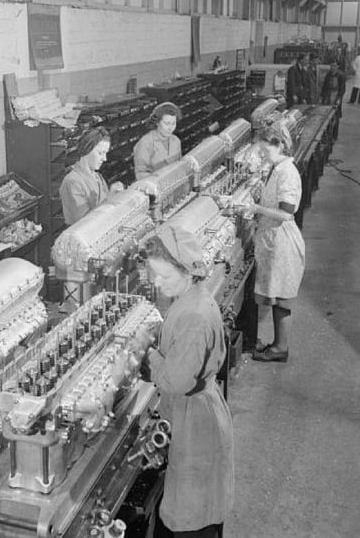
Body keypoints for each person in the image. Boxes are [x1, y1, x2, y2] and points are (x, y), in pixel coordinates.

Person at [142, 226, 233, 538]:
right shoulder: (189, 298)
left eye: (163, 276)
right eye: (153, 275)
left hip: (196, 420)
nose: (156, 282)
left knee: (193, 516)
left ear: (186, 271)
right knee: (187, 506)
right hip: (192, 412)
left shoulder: (193, 314)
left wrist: (147, 353)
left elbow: (177, 380)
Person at [236, 126, 305, 362]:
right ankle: (277, 345)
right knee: (276, 297)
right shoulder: (278, 168)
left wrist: (255, 208)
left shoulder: (287, 172)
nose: (263, 156)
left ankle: (280, 349)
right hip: (273, 239)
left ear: (280, 146)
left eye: (266, 151)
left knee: (281, 299)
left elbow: (286, 212)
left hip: (282, 241)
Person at [59, 126, 121, 225]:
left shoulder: (98, 177)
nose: (104, 159)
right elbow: (82, 224)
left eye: (105, 153)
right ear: (87, 150)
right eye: (100, 153)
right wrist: (109, 198)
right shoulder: (72, 182)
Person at [133, 102, 182, 180]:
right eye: (167, 123)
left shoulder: (176, 141)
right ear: (157, 122)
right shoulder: (145, 143)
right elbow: (140, 174)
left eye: (173, 123)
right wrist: (158, 178)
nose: (170, 128)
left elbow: (178, 166)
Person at [321, 59, 346, 139]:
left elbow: (342, 88)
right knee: (326, 116)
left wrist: (339, 98)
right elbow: (324, 86)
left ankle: (334, 135)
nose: (332, 67)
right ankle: (327, 134)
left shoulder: (341, 75)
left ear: (337, 66)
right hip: (327, 97)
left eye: (334, 65)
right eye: (331, 66)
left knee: (336, 116)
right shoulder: (328, 74)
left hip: (336, 97)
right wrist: (322, 96)